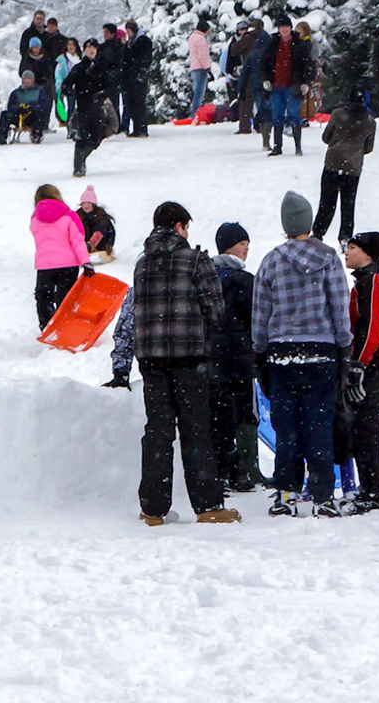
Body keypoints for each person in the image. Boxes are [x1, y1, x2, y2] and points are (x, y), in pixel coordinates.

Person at [131, 201, 239, 526]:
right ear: (179, 226)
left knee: (157, 432)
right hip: (189, 358)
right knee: (196, 430)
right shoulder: (195, 260)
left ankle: (153, 509)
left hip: (151, 359)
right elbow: (215, 310)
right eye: (186, 227)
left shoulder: (141, 264)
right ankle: (208, 506)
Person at [252, 190, 351, 517]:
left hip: (282, 354)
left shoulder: (271, 261)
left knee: (287, 428)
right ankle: (323, 496)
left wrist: (259, 352)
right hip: (321, 352)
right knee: (319, 425)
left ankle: (286, 493)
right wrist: (343, 346)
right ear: (309, 221)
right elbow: (339, 307)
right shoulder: (329, 259)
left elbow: (260, 314)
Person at [338, 232, 379, 512]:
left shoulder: (372, 283)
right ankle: (368, 487)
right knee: (362, 427)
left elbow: (372, 326)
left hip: (374, 366)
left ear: (367, 254)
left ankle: (374, 490)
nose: (346, 252)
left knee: (367, 428)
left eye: (352, 247)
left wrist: (359, 363)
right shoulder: (363, 283)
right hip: (371, 365)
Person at [208, 222, 262, 494]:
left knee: (218, 415)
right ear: (230, 247)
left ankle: (220, 471)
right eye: (243, 245)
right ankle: (245, 470)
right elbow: (256, 320)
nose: (246, 251)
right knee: (245, 413)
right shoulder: (243, 280)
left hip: (211, 358)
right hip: (239, 359)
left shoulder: (205, 277)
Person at [314, 87, 376, 242]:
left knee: (327, 202)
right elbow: (368, 148)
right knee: (348, 204)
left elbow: (326, 137)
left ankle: (318, 233)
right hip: (353, 167)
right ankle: (345, 236)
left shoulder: (337, 115)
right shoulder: (369, 121)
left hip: (333, 163)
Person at [29, 184, 89, 329]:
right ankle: (65, 327)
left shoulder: (35, 218)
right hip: (68, 264)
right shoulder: (69, 215)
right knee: (65, 299)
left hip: (45, 263)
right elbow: (77, 240)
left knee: (44, 297)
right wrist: (85, 261)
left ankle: (47, 327)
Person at [257, 17, 311, 156]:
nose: (284, 30)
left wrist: (305, 82)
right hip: (276, 86)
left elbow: (307, 65)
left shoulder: (299, 44)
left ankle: (298, 147)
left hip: (293, 86)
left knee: (294, 114)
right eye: (282, 27)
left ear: (290, 28)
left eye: (286, 27)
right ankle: (277, 147)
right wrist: (265, 79)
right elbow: (263, 63)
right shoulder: (272, 44)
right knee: (277, 115)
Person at [64, 39, 112, 177]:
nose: (91, 50)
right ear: (84, 50)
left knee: (96, 138)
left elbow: (110, 86)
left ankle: (81, 159)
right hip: (83, 108)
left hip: (98, 107)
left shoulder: (101, 67)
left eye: (94, 48)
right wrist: (72, 92)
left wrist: (101, 95)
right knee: (81, 138)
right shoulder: (79, 68)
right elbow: (66, 84)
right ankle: (78, 167)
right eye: (88, 47)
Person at [118, 21, 154, 137]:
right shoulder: (129, 43)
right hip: (130, 77)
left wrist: (141, 70)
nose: (128, 34)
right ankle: (136, 128)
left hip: (138, 76)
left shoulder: (143, 41)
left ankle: (142, 129)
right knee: (132, 104)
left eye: (129, 31)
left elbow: (146, 58)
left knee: (139, 103)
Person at [0, 72, 48, 145]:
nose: (27, 81)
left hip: (32, 116)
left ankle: (36, 135)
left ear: (32, 80)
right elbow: (10, 106)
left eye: (29, 79)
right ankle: (2, 136)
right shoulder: (15, 92)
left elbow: (44, 105)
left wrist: (31, 107)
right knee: (5, 114)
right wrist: (18, 108)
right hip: (18, 116)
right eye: (25, 79)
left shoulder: (39, 92)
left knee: (39, 116)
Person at [77, 186, 116, 261]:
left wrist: (109, 245)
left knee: (101, 226)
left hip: (100, 246)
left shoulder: (100, 216)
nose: (86, 205)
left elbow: (111, 232)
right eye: (83, 203)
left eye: (88, 203)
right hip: (82, 245)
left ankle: (90, 246)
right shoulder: (78, 216)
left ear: (93, 204)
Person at [187, 17, 214, 116]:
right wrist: (208, 68)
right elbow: (203, 55)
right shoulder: (201, 39)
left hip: (194, 67)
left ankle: (195, 113)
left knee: (196, 93)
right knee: (199, 94)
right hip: (200, 68)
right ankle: (195, 114)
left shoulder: (192, 37)